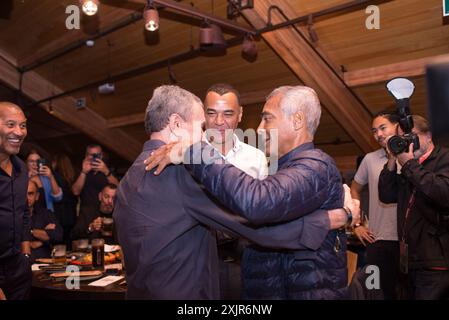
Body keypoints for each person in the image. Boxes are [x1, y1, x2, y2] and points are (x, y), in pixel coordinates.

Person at [115, 85, 355, 300]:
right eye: (201, 126)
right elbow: (255, 226)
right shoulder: (179, 171)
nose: (203, 137)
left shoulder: (130, 175)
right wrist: (329, 219)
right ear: (176, 124)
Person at [203, 83, 268, 298]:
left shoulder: (256, 157)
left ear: (240, 114)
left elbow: (265, 210)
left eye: (228, 114)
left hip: (245, 258)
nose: (219, 122)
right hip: (198, 258)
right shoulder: (187, 154)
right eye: (212, 113)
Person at [379, 115, 449, 299]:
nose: (407, 143)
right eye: (402, 139)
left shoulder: (444, 159)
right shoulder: (411, 167)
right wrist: (392, 159)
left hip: (436, 261)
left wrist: (409, 164)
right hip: (409, 260)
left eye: (411, 137)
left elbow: (443, 194)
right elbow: (386, 195)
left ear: (428, 136)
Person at [350, 112, 400, 299]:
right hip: (376, 242)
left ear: (398, 127)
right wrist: (356, 225)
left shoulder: (410, 156)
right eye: (374, 131)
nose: (378, 134)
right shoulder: (369, 159)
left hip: (407, 242)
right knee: (374, 293)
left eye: (382, 128)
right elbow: (353, 190)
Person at [0, 102, 32, 300]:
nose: (19, 132)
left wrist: (26, 255)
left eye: (23, 125)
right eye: (10, 124)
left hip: (17, 268)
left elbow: (24, 212)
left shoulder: (21, 168)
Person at [71, 144, 119, 212]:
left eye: (97, 155)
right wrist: (84, 172)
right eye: (92, 155)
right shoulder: (80, 171)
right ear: (86, 156)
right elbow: (75, 192)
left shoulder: (107, 170)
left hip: (105, 211)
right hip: (86, 213)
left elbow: (118, 188)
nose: (95, 157)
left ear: (101, 155)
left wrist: (106, 171)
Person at [27, 180, 63, 261]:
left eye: (30, 194)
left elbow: (58, 236)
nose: (26, 198)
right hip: (22, 264)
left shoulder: (46, 213)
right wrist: (43, 234)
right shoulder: (11, 216)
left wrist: (31, 232)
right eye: (23, 194)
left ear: (37, 196)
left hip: (46, 262)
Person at [52, 153, 78, 249]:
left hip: (60, 216)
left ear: (55, 163)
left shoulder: (54, 177)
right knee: (69, 246)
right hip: (72, 216)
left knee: (59, 247)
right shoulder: (72, 178)